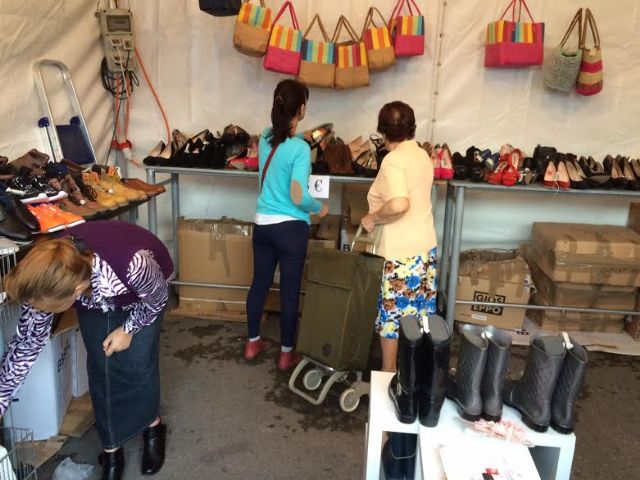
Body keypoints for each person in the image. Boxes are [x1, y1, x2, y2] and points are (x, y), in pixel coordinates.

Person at [0, 221, 174, 480]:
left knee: (137, 363)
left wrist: (128, 329)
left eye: (47, 309)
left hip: (144, 293)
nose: (40, 312)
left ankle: (153, 426)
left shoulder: (135, 264)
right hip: (95, 292)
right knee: (100, 366)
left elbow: (157, 298)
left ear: (76, 291)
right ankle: (112, 449)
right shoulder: (45, 279)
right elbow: (26, 345)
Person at [245, 79, 328, 370]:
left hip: (262, 225)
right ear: (301, 109)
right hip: (291, 229)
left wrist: (305, 134)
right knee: (289, 291)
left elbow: (283, 140)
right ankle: (286, 354)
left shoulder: (266, 137)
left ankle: (252, 343)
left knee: (260, 283)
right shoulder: (301, 149)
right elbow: (298, 195)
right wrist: (319, 208)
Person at [361, 101, 438, 372]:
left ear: (383, 131)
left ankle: (389, 376)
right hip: (425, 250)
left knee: (391, 322)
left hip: (400, 255)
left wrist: (372, 218)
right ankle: (415, 376)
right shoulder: (422, 155)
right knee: (418, 319)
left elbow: (399, 203)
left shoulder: (393, 160)